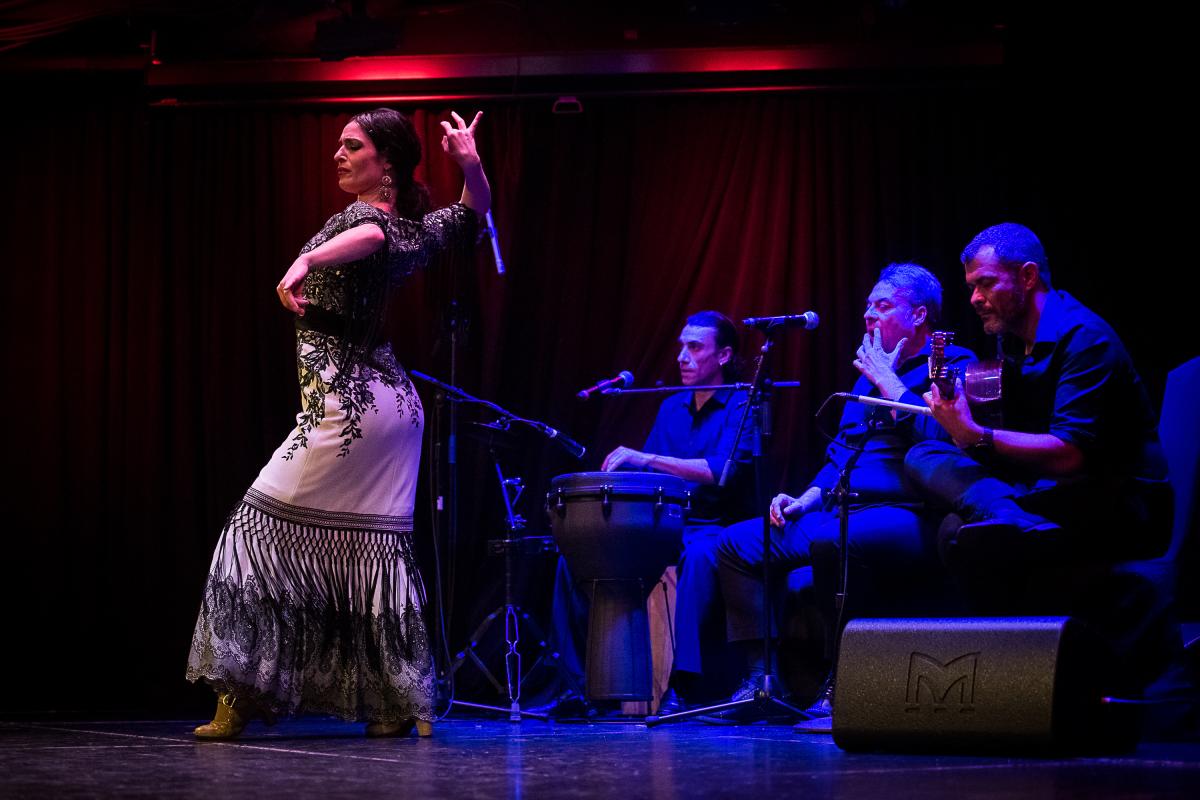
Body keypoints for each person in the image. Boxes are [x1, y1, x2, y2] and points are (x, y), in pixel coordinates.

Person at [186, 108, 491, 739]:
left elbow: (370, 238)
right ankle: (390, 704)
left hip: (348, 409)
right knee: (369, 549)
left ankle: (239, 699)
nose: (338, 154)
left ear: (386, 164)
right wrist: (470, 163)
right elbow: (472, 212)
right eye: (339, 144)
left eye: (352, 146)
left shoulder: (373, 219)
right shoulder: (415, 226)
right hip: (389, 409)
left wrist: (305, 262)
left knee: (253, 537)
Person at [712, 263, 974, 721]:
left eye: (883, 306)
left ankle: (844, 681)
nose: (869, 315)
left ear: (918, 316)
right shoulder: (863, 378)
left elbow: (945, 440)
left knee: (832, 540)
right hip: (839, 508)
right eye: (867, 306)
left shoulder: (952, 364)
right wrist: (803, 498)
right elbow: (840, 455)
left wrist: (889, 383)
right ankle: (763, 681)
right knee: (738, 544)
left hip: (908, 512)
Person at [906, 223, 1170, 612]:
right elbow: (1013, 439)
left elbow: (1070, 454)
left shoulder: (1082, 337)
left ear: (1027, 276)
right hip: (1053, 490)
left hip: (1116, 503)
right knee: (923, 455)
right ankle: (1007, 514)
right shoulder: (1015, 343)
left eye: (986, 284)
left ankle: (1022, 658)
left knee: (959, 533)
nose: (976, 298)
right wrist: (960, 423)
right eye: (971, 289)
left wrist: (977, 435)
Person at [545, 311, 754, 715]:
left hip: (711, 527)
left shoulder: (743, 403)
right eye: (681, 346)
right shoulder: (672, 407)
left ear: (724, 356)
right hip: (660, 526)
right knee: (574, 559)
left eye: (695, 348)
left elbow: (722, 470)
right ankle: (577, 686)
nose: (683, 357)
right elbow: (649, 480)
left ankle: (679, 684)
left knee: (695, 557)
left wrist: (645, 458)